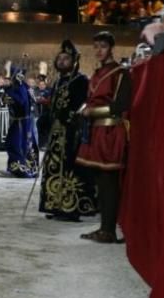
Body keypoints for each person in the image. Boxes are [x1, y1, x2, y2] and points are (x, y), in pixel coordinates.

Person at [75, 31, 131, 243]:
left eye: (103, 46)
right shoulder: (97, 74)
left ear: (111, 48)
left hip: (110, 132)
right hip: (96, 131)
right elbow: (92, 100)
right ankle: (104, 228)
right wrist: (83, 110)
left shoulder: (121, 73)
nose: (99, 50)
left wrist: (93, 112)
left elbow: (121, 105)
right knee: (100, 181)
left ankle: (108, 230)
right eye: (96, 46)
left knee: (108, 182)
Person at [39, 40, 97, 222]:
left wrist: (70, 119)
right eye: (60, 58)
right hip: (56, 132)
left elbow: (82, 104)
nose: (62, 61)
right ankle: (55, 204)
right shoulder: (58, 82)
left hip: (71, 132)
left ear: (74, 61)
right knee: (54, 167)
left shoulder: (80, 80)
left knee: (70, 167)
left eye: (66, 58)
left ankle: (70, 208)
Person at [1, 67, 39, 178]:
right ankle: (14, 167)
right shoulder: (21, 87)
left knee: (17, 144)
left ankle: (21, 168)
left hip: (22, 122)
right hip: (20, 121)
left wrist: (9, 93)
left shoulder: (21, 87)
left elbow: (21, 101)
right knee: (12, 142)